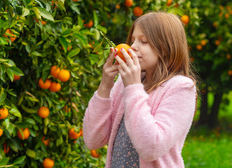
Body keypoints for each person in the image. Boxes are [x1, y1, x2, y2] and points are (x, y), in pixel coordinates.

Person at [83, 12, 197, 168]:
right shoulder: (125, 84)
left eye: (143, 41)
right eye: (132, 40)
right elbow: (92, 140)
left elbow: (151, 147)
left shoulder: (181, 88)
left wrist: (133, 87)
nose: (133, 47)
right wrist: (105, 85)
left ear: (166, 47)